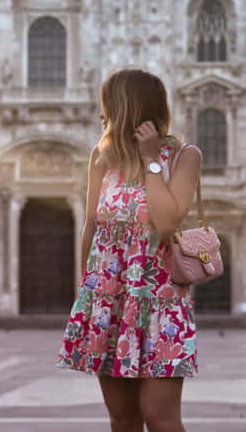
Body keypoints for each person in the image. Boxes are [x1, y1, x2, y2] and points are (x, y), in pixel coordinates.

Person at [56, 67, 202, 432]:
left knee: (160, 418)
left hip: (160, 302)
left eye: (108, 104)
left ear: (126, 107)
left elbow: (167, 223)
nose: (102, 113)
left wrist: (151, 159)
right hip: (108, 299)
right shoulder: (101, 157)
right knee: (122, 418)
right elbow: (91, 226)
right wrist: (85, 295)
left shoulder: (184, 156)